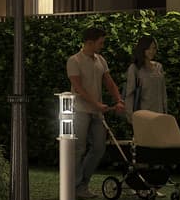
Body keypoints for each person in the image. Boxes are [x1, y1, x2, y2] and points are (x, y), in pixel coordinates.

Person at [65, 27, 126, 188]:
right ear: (90, 42)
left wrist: (119, 100)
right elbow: (78, 88)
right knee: (79, 149)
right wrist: (96, 104)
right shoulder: (74, 61)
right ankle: (74, 186)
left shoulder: (100, 60)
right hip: (80, 111)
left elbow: (109, 83)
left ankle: (82, 183)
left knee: (99, 147)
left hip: (97, 113)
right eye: (101, 42)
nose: (102, 45)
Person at [124, 36, 166, 116]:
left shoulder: (158, 67)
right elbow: (130, 94)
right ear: (142, 49)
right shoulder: (135, 68)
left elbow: (163, 92)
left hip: (159, 114)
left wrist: (165, 112)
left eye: (154, 48)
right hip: (143, 115)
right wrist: (130, 115)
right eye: (148, 48)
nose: (152, 51)